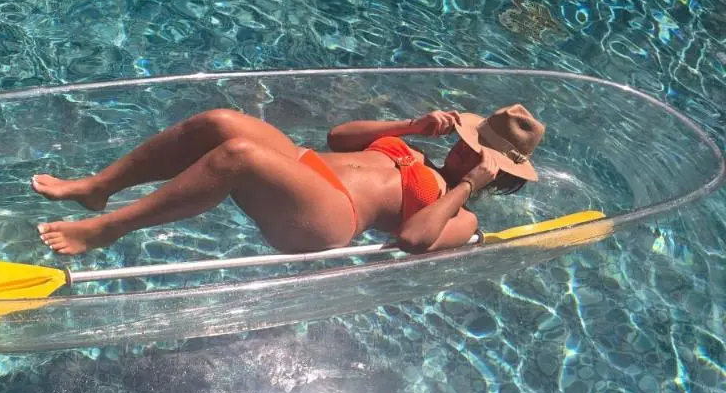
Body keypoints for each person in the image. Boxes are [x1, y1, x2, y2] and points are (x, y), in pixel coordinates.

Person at [32, 104, 544, 256]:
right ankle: (98, 186)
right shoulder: (418, 149)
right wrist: (408, 127)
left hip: (328, 214)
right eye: (471, 140)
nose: (463, 149)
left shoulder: (462, 210)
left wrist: (468, 185)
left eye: (477, 153)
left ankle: (109, 228)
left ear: (498, 169)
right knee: (220, 122)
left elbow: (412, 239)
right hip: (306, 163)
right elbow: (338, 134)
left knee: (240, 155)